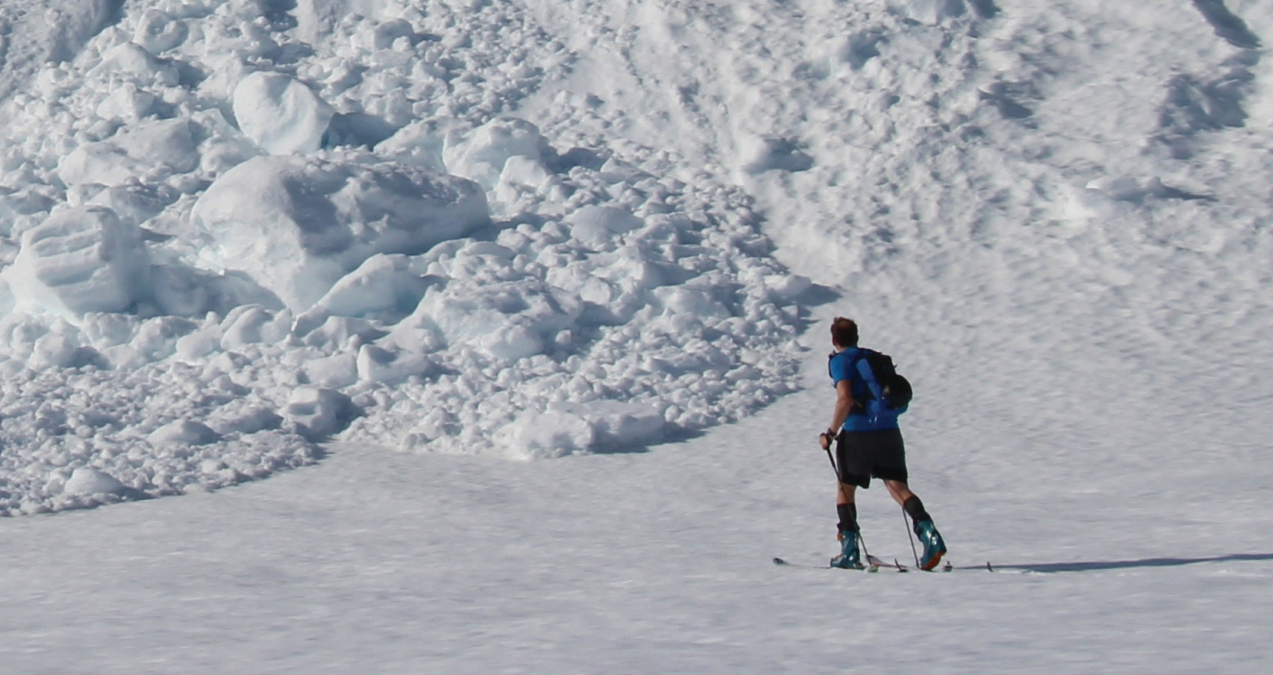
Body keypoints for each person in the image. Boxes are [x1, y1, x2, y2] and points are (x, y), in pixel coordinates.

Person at [817, 317, 947, 570]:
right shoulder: (877, 359)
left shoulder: (841, 361)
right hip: (889, 432)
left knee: (845, 489)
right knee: (898, 487)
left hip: (857, 434)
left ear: (834, 340)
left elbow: (845, 398)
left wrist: (830, 433)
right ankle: (930, 535)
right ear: (857, 337)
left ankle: (849, 550)